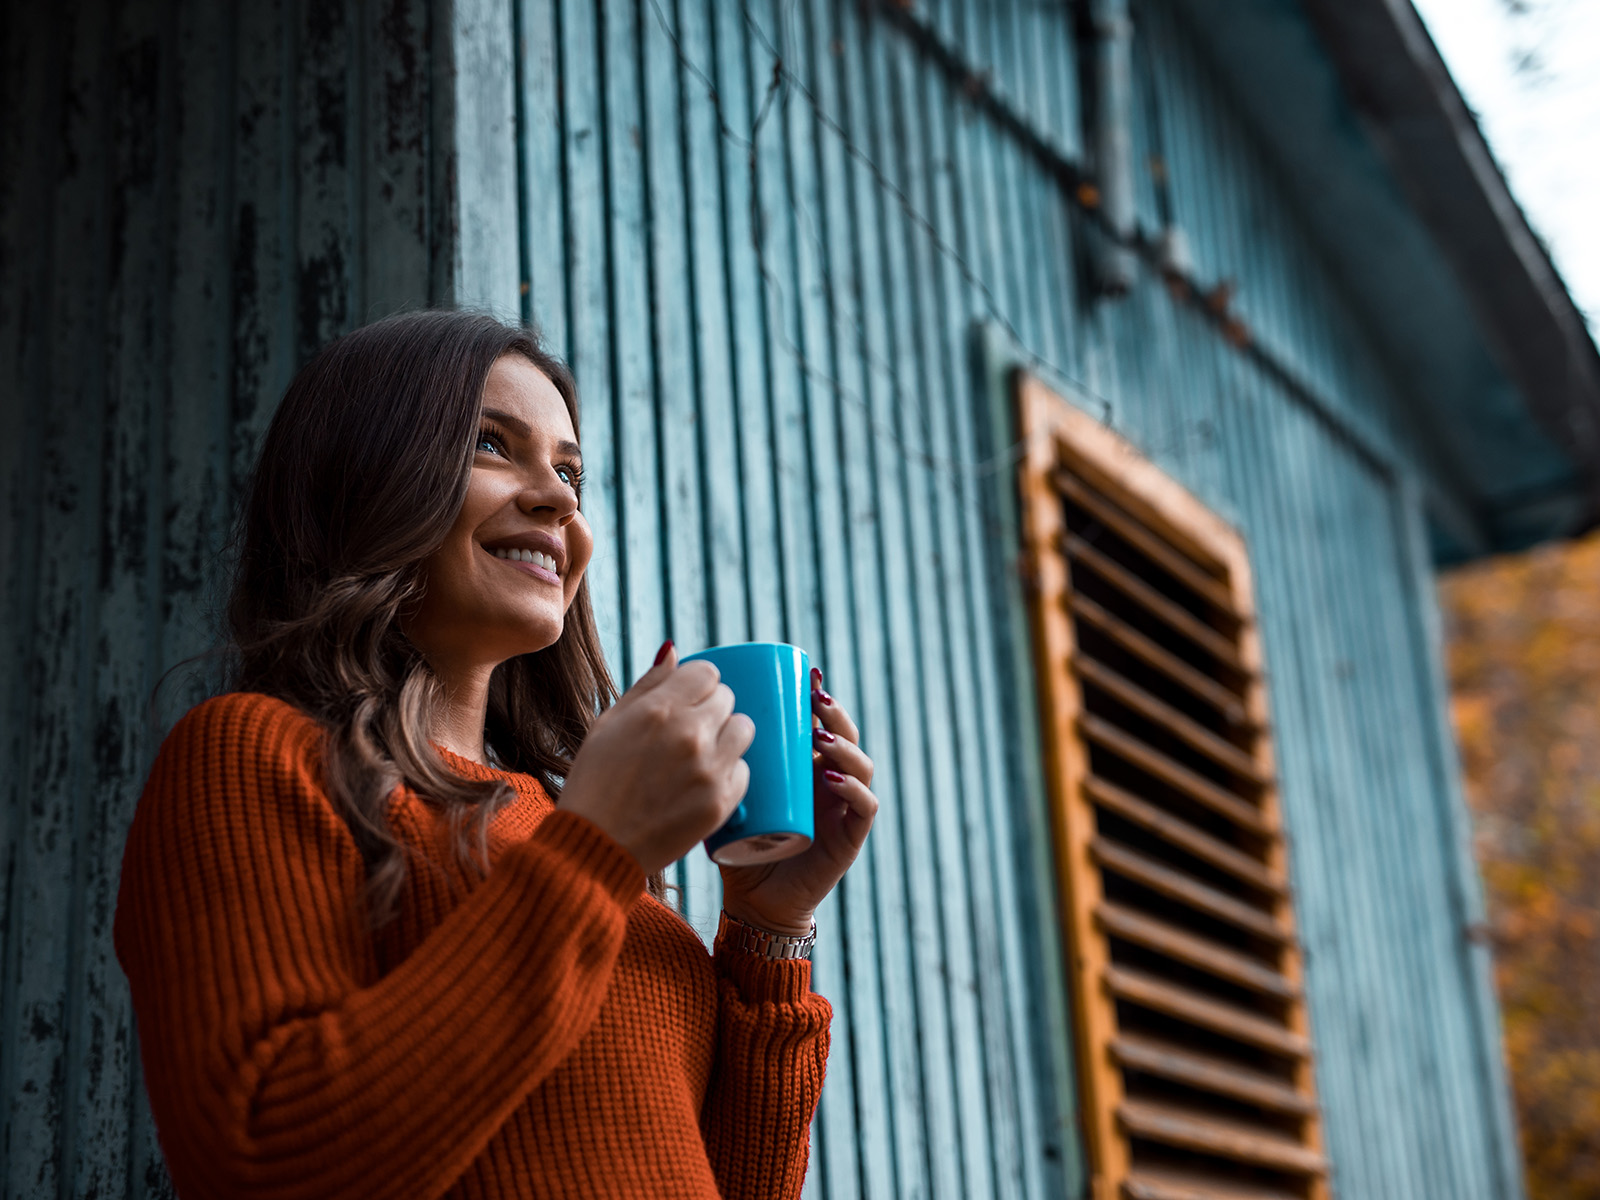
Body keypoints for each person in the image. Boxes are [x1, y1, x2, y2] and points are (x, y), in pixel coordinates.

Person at [113, 310, 879, 1200]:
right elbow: (263, 1158)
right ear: (366, 478)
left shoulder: (583, 848)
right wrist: (597, 848)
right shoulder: (251, 757)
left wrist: (768, 925)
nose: (560, 498)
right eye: (489, 444)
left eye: (569, 470)